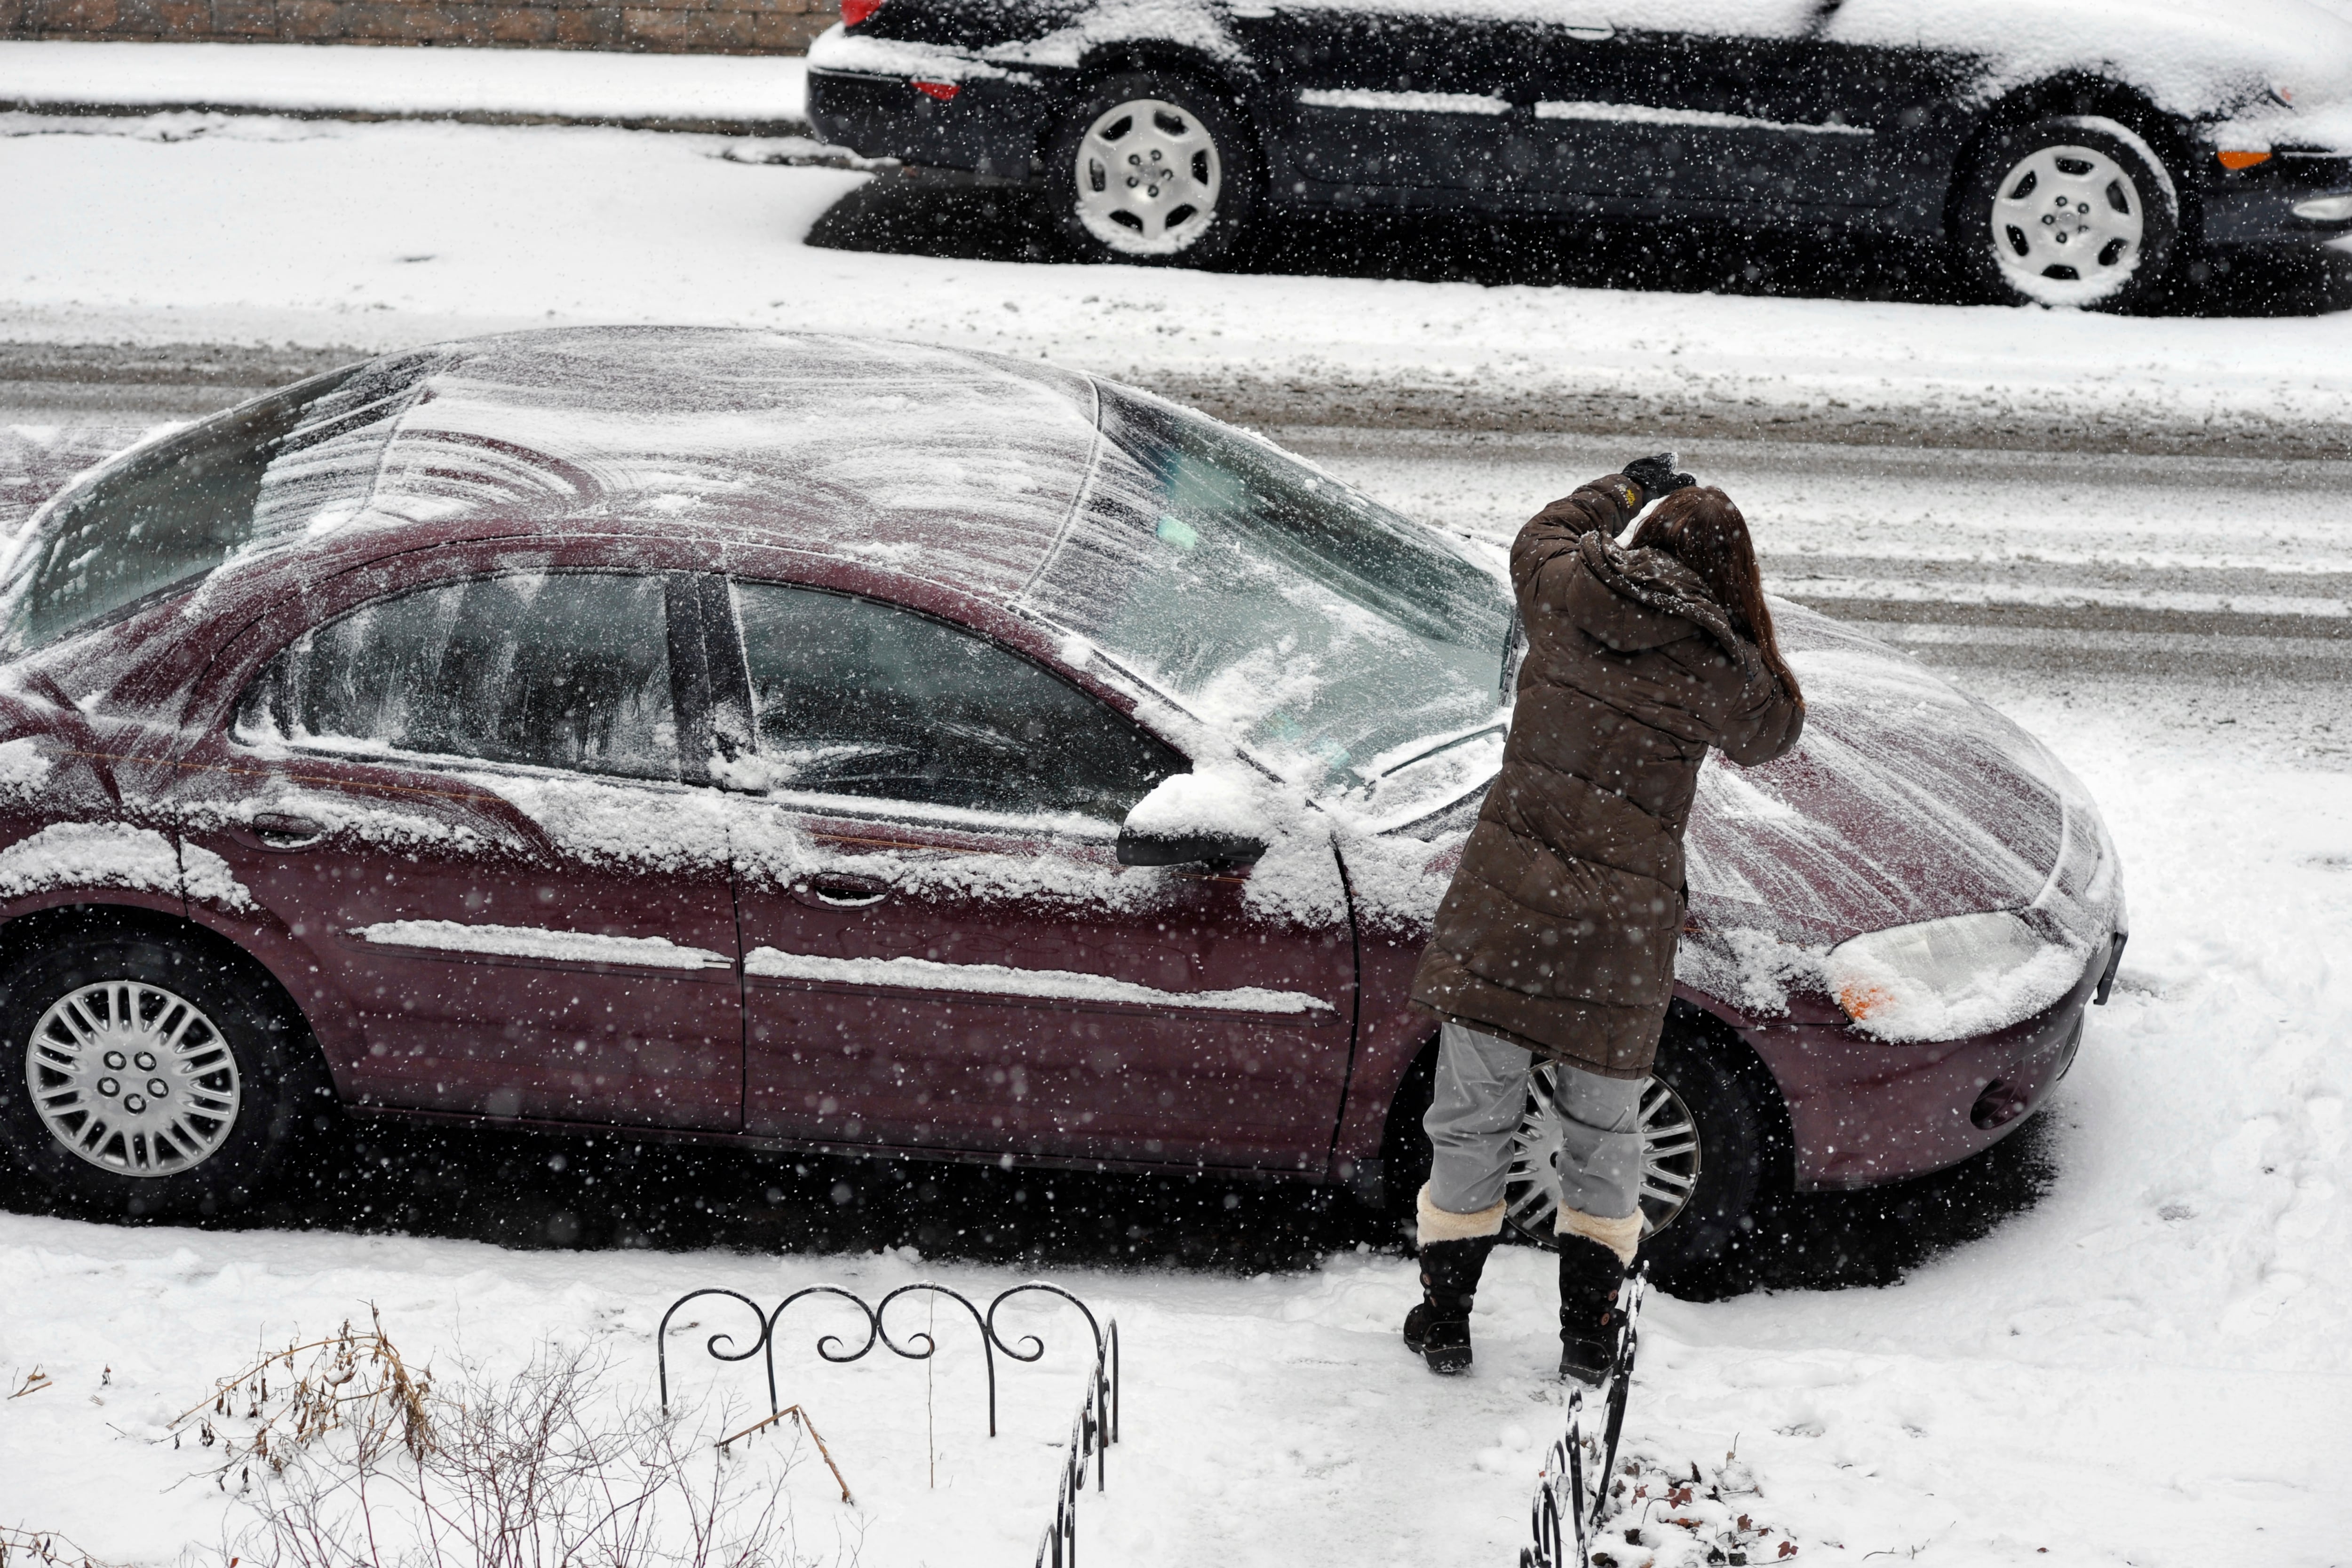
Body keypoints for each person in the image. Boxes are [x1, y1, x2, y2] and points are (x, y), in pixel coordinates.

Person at [1400, 454, 1807, 1383]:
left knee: (1469, 1122)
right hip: (1616, 932)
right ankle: (1587, 1333)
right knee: (1603, 1135)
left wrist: (1624, 488)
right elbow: (1778, 726)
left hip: (1505, 904)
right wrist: (1742, 622)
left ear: (1642, 537)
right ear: (1730, 578)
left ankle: (1447, 1317)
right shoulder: (1718, 666)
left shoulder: (1569, 589)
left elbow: (1535, 532)